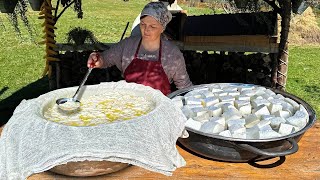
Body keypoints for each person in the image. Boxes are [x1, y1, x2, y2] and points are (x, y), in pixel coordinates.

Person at [87, 2, 192, 95]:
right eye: (143, 24)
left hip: (158, 111)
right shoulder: (127, 45)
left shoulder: (172, 54)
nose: (146, 30)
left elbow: (184, 87)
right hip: (131, 107)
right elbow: (104, 59)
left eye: (153, 26)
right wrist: (97, 59)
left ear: (162, 28)